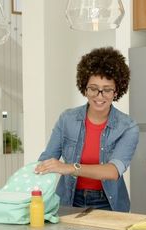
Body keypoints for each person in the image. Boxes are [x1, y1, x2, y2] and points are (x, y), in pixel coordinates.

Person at [34, 47, 139, 212]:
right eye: (93, 88)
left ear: (116, 91)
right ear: (84, 88)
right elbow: (47, 159)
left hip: (108, 203)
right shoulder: (67, 119)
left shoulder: (127, 127)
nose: (99, 95)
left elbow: (113, 171)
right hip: (69, 199)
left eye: (107, 89)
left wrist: (71, 167)